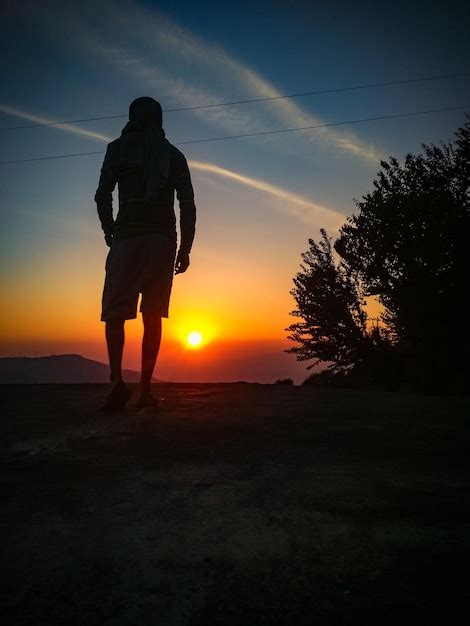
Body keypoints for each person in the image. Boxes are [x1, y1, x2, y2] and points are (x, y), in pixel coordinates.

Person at [95, 96, 196, 410]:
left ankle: (115, 382)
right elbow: (187, 205)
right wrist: (185, 247)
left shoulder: (117, 149)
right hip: (161, 242)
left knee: (115, 312)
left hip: (127, 239)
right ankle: (145, 391)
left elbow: (102, 195)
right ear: (160, 119)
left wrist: (109, 227)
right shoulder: (173, 156)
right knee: (152, 315)